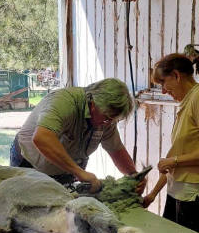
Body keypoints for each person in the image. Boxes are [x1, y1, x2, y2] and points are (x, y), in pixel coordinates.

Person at [143, 53, 199, 233]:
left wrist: (172, 161)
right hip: (183, 191)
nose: (164, 91)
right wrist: (152, 194)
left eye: (163, 83)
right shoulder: (191, 99)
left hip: (195, 194)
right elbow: (178, 158)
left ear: (176, 75)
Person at [11, 78, 144, 193]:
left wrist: (133, 176)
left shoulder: (107, 120)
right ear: (94, 104)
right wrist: (79, 172)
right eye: (106, 118)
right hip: (29, 163)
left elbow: (116, 150)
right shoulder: (64, 102)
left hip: (65, 171)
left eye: (113, 120)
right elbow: (42, 138)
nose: (108, 123)